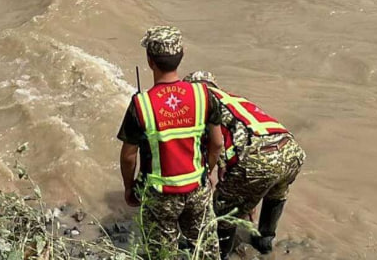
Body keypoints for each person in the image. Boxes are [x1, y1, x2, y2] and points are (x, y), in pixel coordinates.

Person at [118, 26, 223, 260]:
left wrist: (129, 187)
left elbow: (128, 156)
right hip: (197, 187)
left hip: (159, 193)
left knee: (162, 253)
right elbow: (216, 144)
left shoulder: (141, 105)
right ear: (182, 54)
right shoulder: (204, 95)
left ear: (149, 61)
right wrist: (207, 172)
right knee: (205, 248)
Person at [185, 71, 304, 257]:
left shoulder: (201, 104)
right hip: (291, 150)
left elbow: (211, 144)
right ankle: (265, 241)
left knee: (223, 212)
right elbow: (236, 135)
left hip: (259, 159)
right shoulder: (235, 100)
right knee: (277, 192)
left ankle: (221, 254)